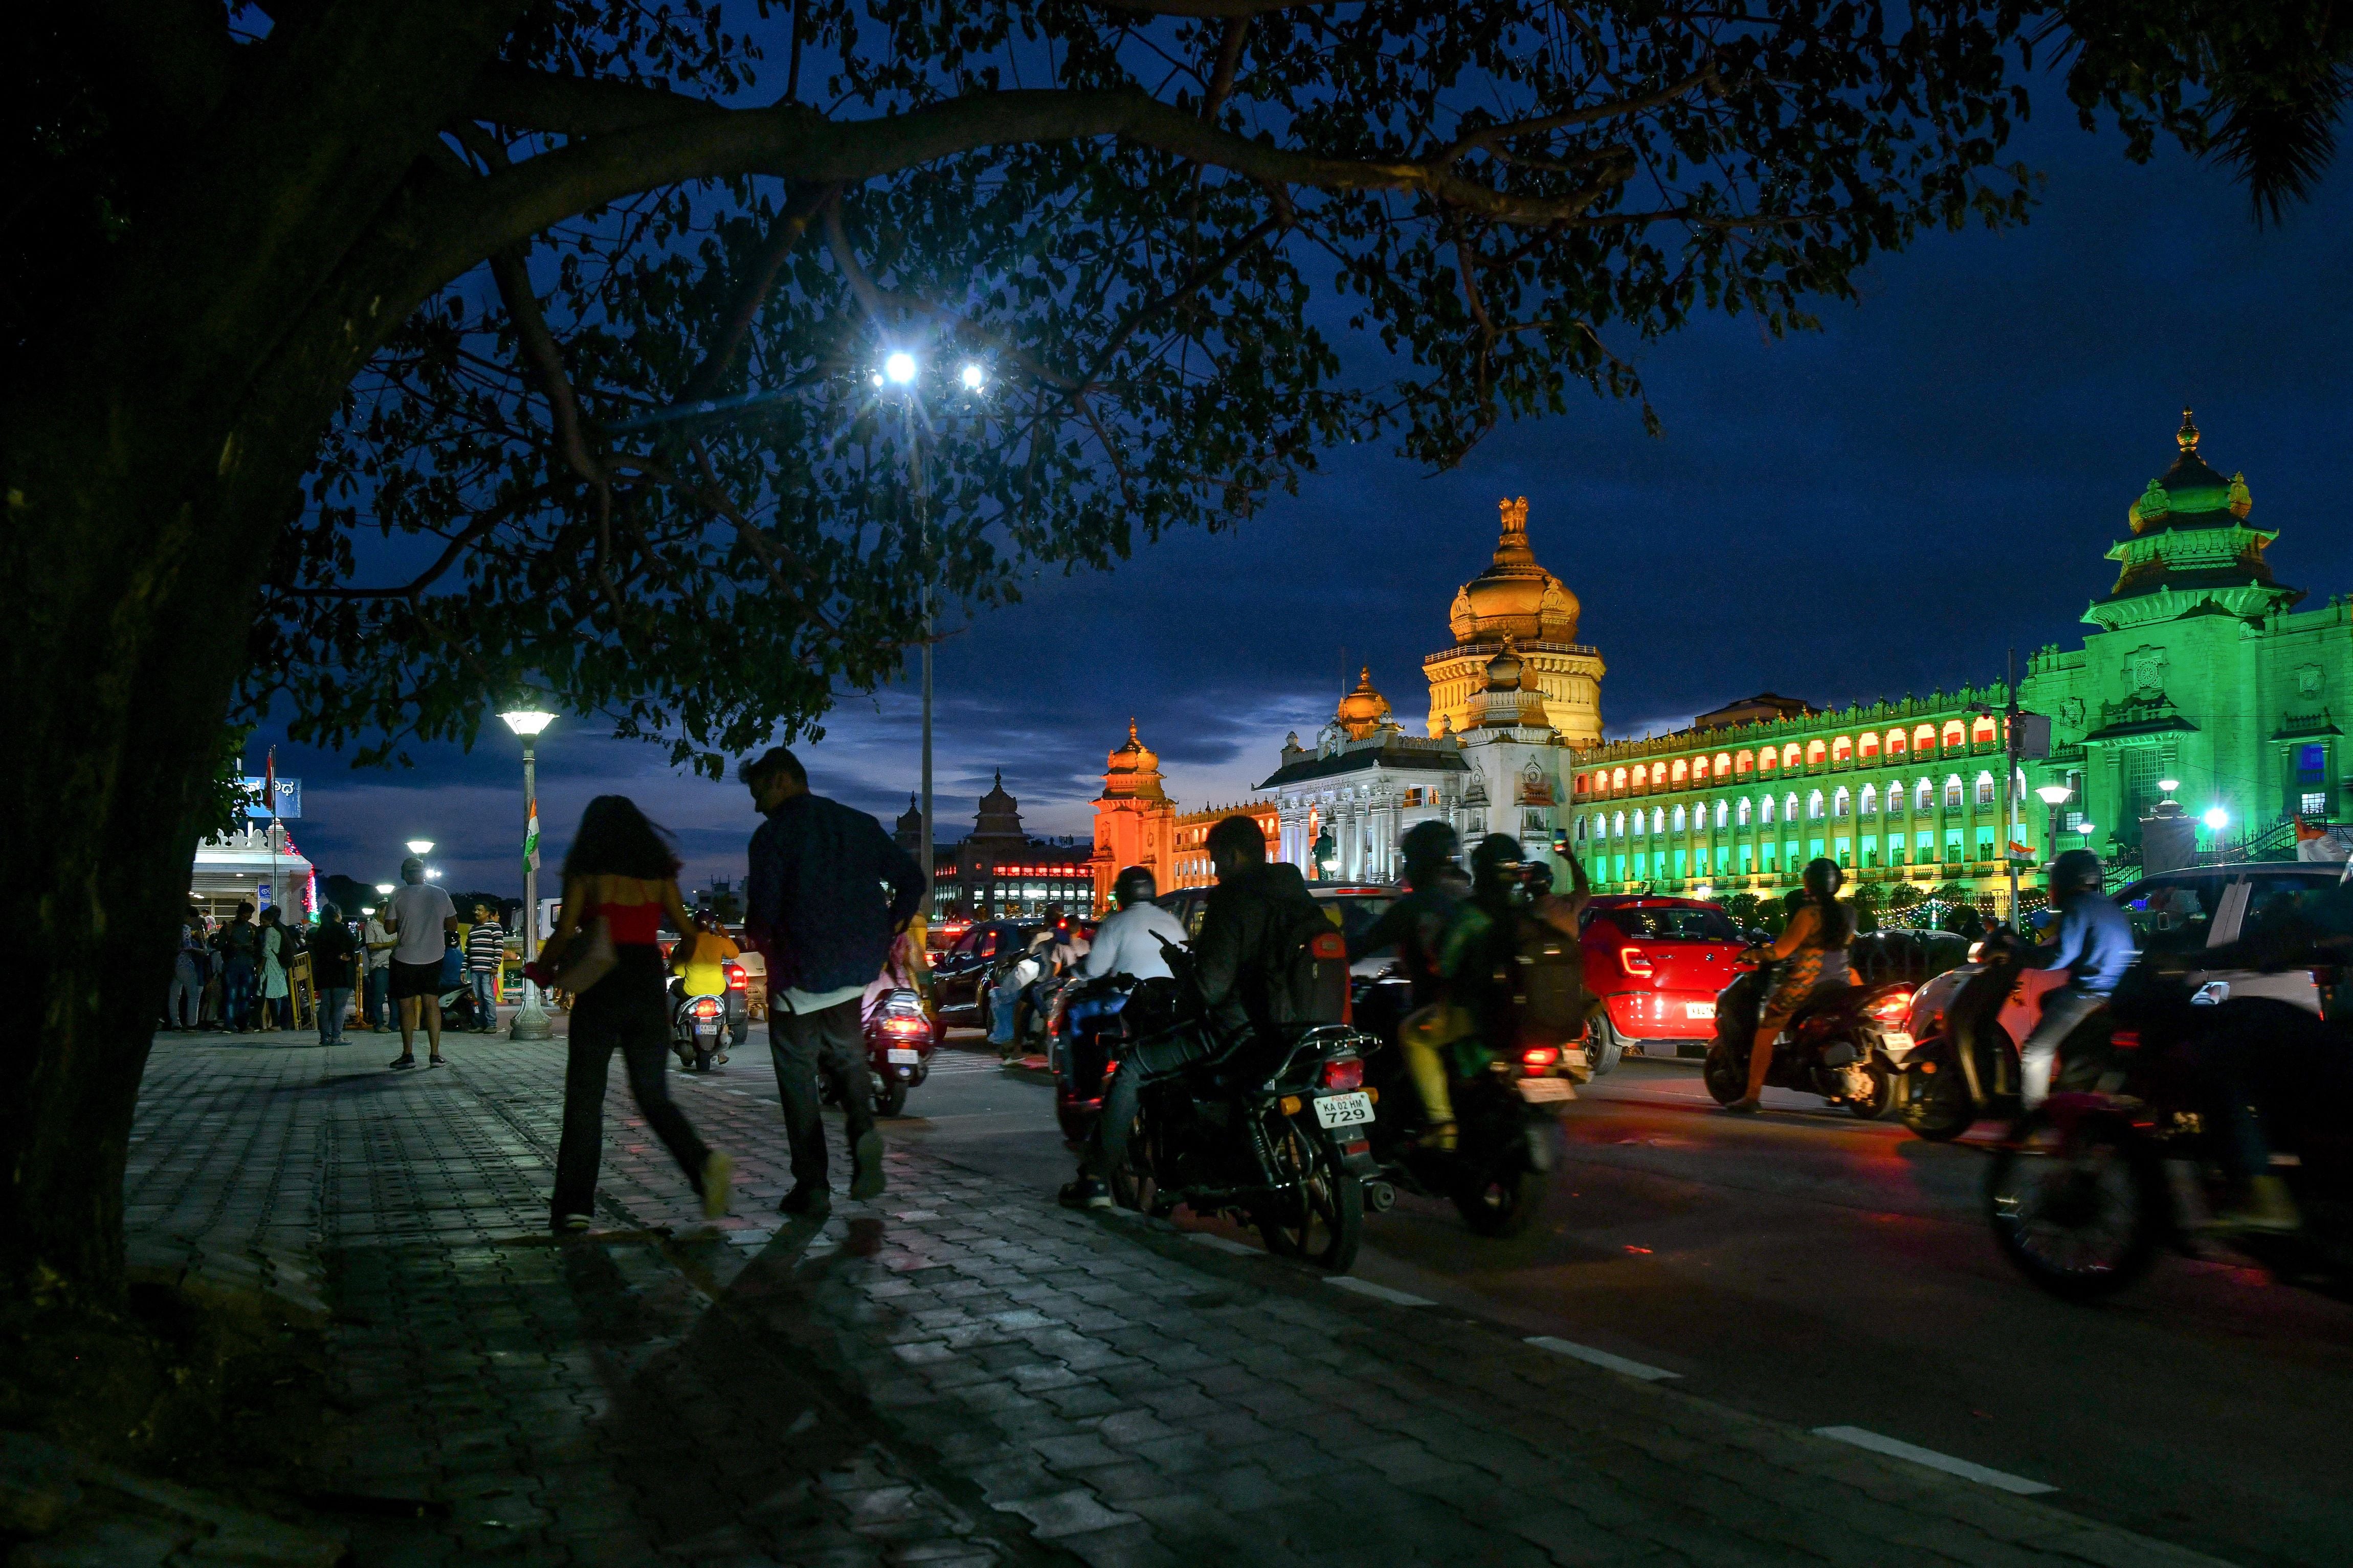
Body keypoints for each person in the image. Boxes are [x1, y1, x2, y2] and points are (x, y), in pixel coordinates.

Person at [524, 796, 732, 1233]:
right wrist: (675, 964)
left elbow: (564, 932)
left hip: (602, 983)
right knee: (652, 1093)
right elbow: (689, 932)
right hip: (644, 981)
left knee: (585, 1096)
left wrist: (545, 970)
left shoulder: (588, 875)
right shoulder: (658, 877)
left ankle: (575, 1206)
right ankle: (703, 1164)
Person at [1090, 814, 1327, 1185]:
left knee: (1135, 1064)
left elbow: (1212, 988)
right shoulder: (1296, 895)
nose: (1215, 872)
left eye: (1216, 861)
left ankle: (1095, 1179)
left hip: (1240, 1029)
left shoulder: (1232, 900)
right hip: (1298, 1025)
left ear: (1233, 857)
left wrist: (1183, 989)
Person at [741, 746, 926, 1214]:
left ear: (783, 781)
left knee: (797, 1076)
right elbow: (911, 878)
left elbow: (762, 913)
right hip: (856, 969)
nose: (756, 803)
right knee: (848, 1056)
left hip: (800, 971)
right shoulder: (857, 823)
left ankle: (813, 1185)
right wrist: (895, 925)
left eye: (759, 790)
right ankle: (863, 1131)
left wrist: (765, 944)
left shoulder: (772, 835)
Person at [1057, 866, 1188, 1209]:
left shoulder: (1116, 923)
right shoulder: (1171, 921)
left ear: (1123, 895)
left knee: (1079, 1018)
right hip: (1171, 1009)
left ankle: (1085, 1085)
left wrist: (1078, 972)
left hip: (1130, 1002)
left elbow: (1096, 970)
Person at [1347, 822, 1469, 1141]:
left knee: (1396, 1040)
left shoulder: (1417, 906)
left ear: (1416, 861)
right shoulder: (1464, 899)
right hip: (1478, 1005)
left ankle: (1437, 1123)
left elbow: (1363, 945)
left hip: (1442, 1007)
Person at [1727, 857, 1855, 1114]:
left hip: (1806, 985)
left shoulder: (1810, 914)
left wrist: (1753, 955)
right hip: (1840, 982)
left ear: (1810, 883)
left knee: (1765, 1033)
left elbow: (1781, 951)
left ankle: (1752, 1096)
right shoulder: (1849, 913)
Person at [2010, 848, 2132, 1111]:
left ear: (2064, 880)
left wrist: (2022, 957)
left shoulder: (2077, 906)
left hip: (2089, 991)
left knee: (2035, 1050)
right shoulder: (2107, 904)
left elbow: (2063, 955)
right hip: (2114, 990)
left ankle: (2032, 1118)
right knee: (2050, 999)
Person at [384, 856, 459, 1068]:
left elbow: (389, 929)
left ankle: (408, 1054)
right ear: (424, 872)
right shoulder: (440, 893)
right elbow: (453, 925)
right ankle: (435, 1055)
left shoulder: (397, 895)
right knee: (432, 1004)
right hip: (434, 956)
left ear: (404, 874)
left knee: (406, 1006)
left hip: (405, 957)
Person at [671, 908, 743, 1067]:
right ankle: (725, 1026)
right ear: (711, 926)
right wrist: (723, 932)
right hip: (717, 990)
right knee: (728, 991)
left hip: (692, 990)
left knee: (673, 991)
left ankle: (672, 1024)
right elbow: (735, 953)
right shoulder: (719, 941)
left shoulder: (688, 942)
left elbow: (677, 970)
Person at [309, 904, 360, 1046]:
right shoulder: (341, 929)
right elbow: (353, 943)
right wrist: (346, 956)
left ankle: (324, 1037)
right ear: (337, 915)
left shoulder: (319, 932)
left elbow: (318, 952)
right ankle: (336, 1037)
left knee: (325, 1005)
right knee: (339, 1006)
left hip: (324, 973)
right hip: (341, 972)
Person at [216, 902, 259, 1032]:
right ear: (239, 913)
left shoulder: (252, 928)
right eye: (246, 914)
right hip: (233, 966)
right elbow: (220, 946)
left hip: (246, 965)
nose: (247, 917)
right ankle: (230, 1023)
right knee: (232, 995)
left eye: (249, 915)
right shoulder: (229, 928)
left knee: (244, 995)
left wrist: (252, 949)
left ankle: (242, 1023)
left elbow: (258, 947)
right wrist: (231, 947)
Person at [465, 903, 507, 1034]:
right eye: (475, 909)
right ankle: (482, 1024)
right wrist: (463, 969)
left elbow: (499, 948)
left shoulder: (495, 927)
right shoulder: (473, 930)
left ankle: (491, 1024)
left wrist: (495, 966)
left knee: (488, 996)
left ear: (487, 913)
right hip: (475, 969)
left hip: (487, 969)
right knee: (478, 997)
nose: (476, 912)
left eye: (480, 910)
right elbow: (468, 952)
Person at [166, 908, 207, 1030]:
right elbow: (188, 947)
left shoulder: (171, 927)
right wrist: (201, 948)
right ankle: (192, 1023)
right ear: (188, 916)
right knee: (193, 995)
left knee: (174, 995)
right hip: (185, 964)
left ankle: (176, 1022)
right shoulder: (185, 928)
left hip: (173, 965)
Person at [257, 906, 295, 1031]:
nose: (262, 924)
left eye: (264, 922)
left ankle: (258, 1023)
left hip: (270, 965)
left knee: (263, 993)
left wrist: (260, 966)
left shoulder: (270, 931)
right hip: (277, 966)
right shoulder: (281, 931)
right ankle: (276, 1023)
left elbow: (266, 950)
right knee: (272, 995)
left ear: (271, 920)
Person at [362, 906, 394, 1031]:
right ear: (379, 911)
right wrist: (391, 944)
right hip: (380, 965)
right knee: (379, 997)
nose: (388, 913)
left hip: (394, 965)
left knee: (394, 997)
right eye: (386, 910)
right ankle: (379, 1024)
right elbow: (371, 946)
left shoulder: (393, 925)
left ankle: (394, 1023)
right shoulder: (372, 926)